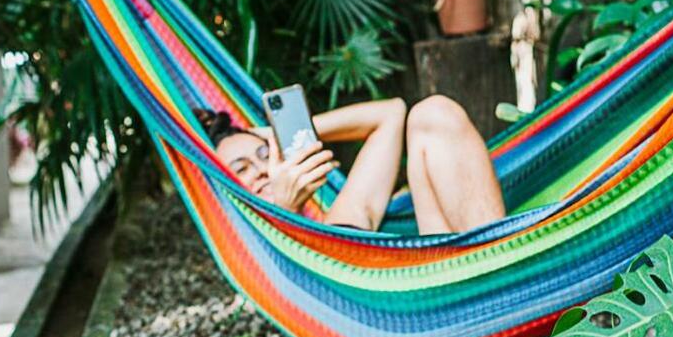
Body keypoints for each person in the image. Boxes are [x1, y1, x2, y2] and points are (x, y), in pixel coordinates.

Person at [198, 96, 506, 235]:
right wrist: (285, 211)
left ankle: (500, 266)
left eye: (266, 155)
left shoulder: (341, 221)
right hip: (403, 336)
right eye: (241, 169)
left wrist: (292, 133)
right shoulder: (251, 260)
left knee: (434, 112)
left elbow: (391, 113)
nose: (262, 169)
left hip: (452, 284)